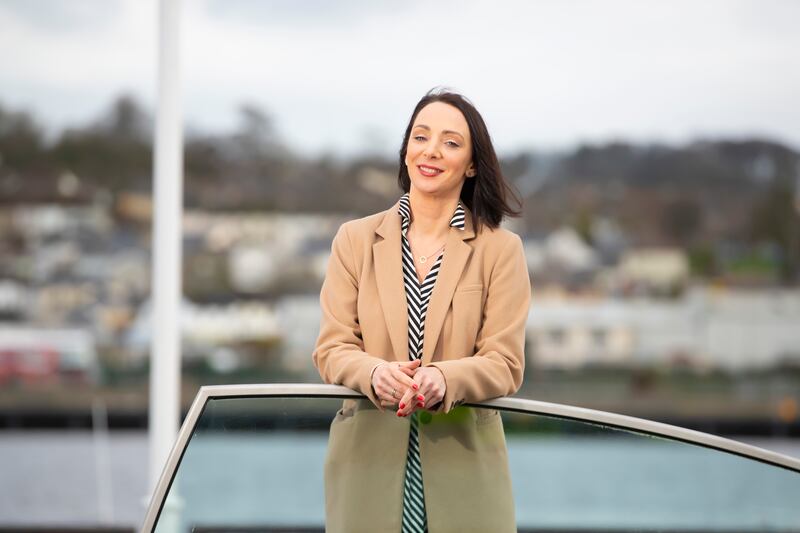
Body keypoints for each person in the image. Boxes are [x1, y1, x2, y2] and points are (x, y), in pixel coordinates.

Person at [312, 88, 531, 533]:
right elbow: (332, 348)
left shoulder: (501, 250)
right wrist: (373, 373)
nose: (431, 151)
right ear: (406, 149)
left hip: (465, 469)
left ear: (471, 164)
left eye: (450, 142)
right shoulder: (354, 240)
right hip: (366, 467)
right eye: (420, 137)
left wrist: (446, 377)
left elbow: (505, 363)